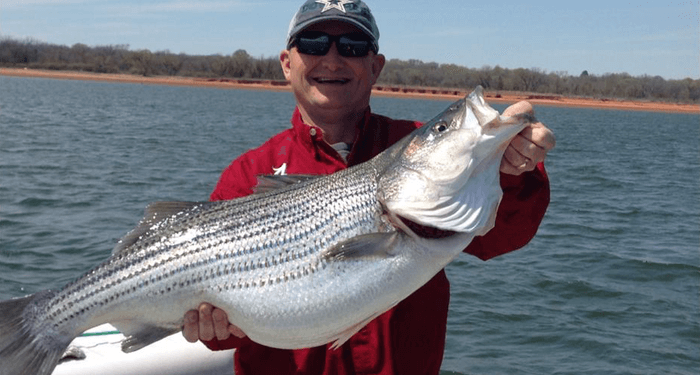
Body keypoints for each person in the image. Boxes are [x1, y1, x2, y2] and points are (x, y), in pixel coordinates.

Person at [183, 1, 556, 374]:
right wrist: (212, 327)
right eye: (313, 43)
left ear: (375, 66)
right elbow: (225, 332)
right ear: (286, 63)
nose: (331, 60)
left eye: (352, 46)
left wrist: (512, 168)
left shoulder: (409, 143)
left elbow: (504, 234)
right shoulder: (247, 174)